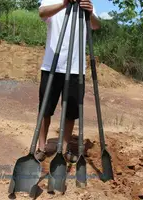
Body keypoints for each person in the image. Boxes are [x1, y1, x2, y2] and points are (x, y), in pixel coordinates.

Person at [35, 0, 100, 162]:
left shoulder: (85, 2)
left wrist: (91, 13)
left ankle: (62, 150)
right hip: (52, 66)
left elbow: (96, 25)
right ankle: (41, 147)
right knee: (45, 109)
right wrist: (64, 4)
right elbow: (42, 13)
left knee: (71, 111)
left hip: (76, 68)